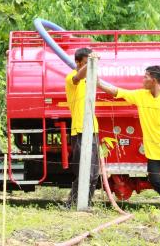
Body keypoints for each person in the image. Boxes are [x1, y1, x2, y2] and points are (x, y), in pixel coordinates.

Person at [98, 65, 160, 210]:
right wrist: (98, 83)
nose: (143, 80)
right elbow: (118, 92)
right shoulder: (141, 96)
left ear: (154, 80)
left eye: (145, 77)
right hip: (153, 150)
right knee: (155, 180)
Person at [65, 47, 100, 207]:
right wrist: (92, 62)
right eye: (86, 63)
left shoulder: (90, 79)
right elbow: (78, 76)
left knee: (93, 173)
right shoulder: (72, 78)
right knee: (83, 171)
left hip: (93, 130)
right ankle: (74, 203)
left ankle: (84, 202)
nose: (89, 67)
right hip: (79, 130)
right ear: (77, 62)